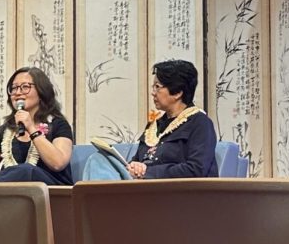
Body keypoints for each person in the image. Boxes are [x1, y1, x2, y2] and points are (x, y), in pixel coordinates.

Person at [87, 59, 218, 180]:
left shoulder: (200, 123)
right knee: (98, 159)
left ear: (178, 92)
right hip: (144, 187)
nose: (153, 92)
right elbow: (138, 159)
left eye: (158, 87)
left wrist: (148, 172)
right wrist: (135, 166)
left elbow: (196, 169)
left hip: (176, 193)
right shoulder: (155, 124)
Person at [0, 67, 74, 185]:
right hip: (16, 196)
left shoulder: (58, 124)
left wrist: (32, 128)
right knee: (23, 171)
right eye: (14, 88)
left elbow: (57, 163)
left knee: (27, 170)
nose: (18, 93)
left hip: (53, 193)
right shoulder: (7, 129)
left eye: (25, 87)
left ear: (42, 91)